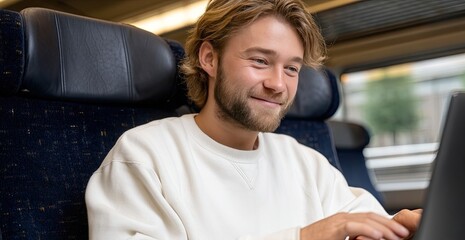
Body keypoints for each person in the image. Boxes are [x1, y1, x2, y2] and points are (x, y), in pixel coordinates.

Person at [85, 0, 421, 239]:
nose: (278, 84)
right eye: (260, 61)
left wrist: (400, 228)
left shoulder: (305, 162)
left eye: (291, 68)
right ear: (209, 59)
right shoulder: (144, 157)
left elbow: (367, 222)